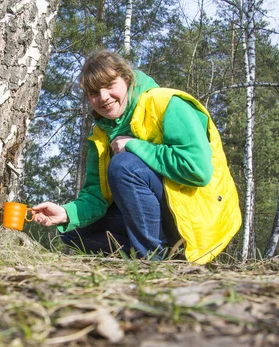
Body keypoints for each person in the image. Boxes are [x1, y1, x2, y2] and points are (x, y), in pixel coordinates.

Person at [31, 50, 241, 264]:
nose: (103, 97)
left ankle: (152, 262)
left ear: (127, 79)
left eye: (110, 85)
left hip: (199, 214)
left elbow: (198, 170)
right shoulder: (101, 133)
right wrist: (65, 213)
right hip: (160, 214)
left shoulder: (167, 104)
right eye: (94, 92)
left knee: (124, 165)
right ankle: (168, 255)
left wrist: (135, 145)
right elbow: (97, 197)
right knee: (74, 232)